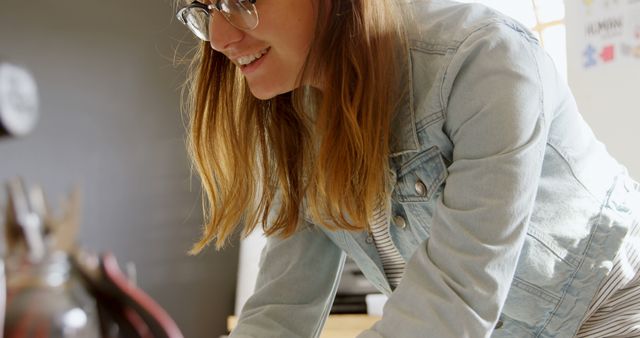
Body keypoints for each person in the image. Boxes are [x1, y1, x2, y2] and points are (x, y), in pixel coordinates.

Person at [174, 0, 640, 337]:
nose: (218, 37)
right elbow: (282, 309)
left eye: (241, 0)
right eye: (206, 6)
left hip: (613, 308)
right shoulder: (298, 118)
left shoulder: (485, 60)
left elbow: (454, 299)